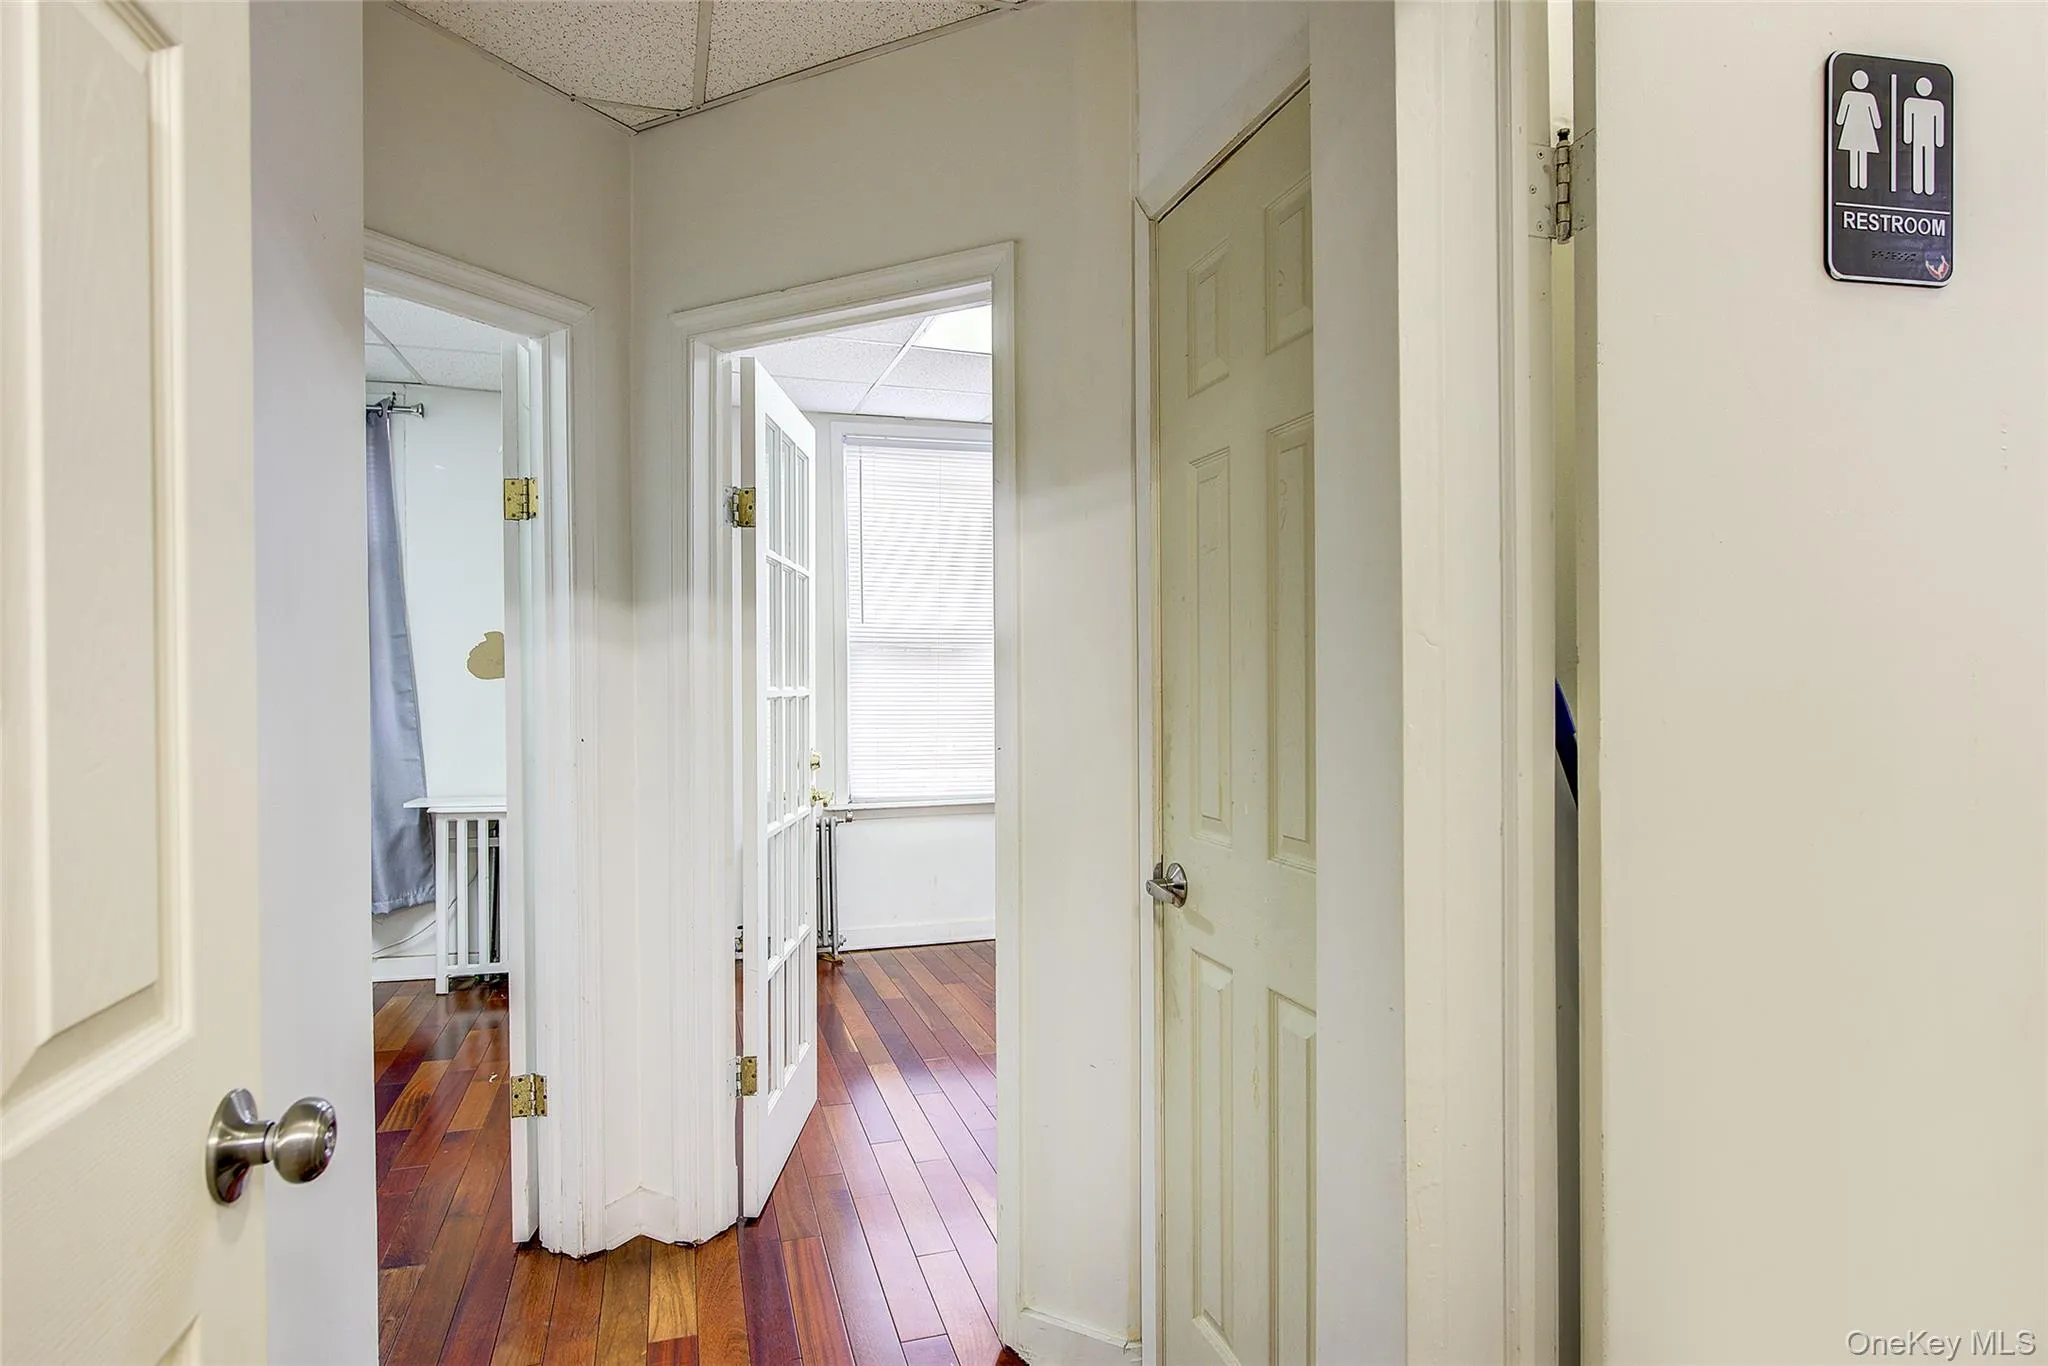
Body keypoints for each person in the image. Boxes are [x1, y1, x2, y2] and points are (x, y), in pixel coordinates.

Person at [1836, 69, 1882, 190]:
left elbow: (1840, 118)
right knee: (1859, 154)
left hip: (1855, 130)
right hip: (1862, 131)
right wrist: (1877, 125)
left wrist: (1840, 121)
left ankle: (1857, 183)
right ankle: (1859, 183)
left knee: (1857, 154)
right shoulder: (1867, 97)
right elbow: (1876, 120)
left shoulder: (1850, 96)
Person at [1902, 75, 1944, 196]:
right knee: (1919, 160)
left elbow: (1939, 124)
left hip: (1926, 138)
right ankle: (1918, 187)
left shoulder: (1936, 106)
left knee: (1927, 161)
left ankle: (1927, 188)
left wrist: (1939, 141)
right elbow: (1908, 121)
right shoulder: (1910, 103)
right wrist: (1907, 137)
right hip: (1919, 138)